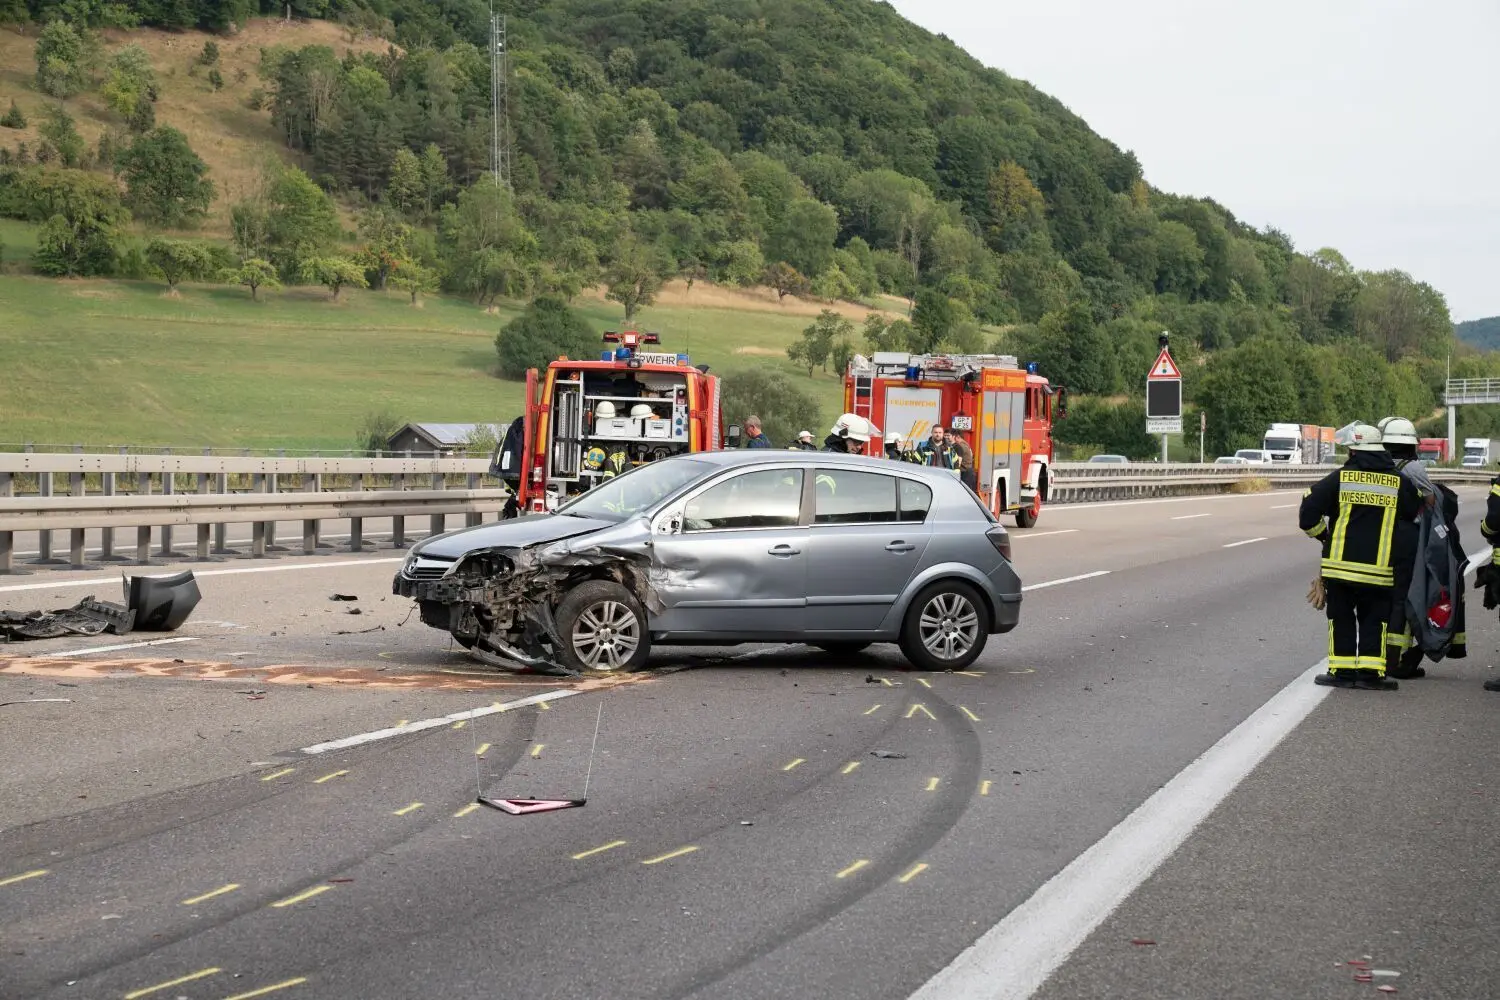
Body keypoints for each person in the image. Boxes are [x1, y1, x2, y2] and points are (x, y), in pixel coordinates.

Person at [1300, 422, 1422, 690]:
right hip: (1379, 570)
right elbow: (1413, 512)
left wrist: (1325, 537)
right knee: (1375, 620)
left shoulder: (1340, 478)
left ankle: (1342, 673)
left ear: (1354, 452)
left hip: (1340, 569)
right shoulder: (1399, 482)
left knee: (1341, 618)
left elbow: (1307, 513)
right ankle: (1370, 675)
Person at [1377, 415, 1465, 678]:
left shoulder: (1375, 466)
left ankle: (1377, 655)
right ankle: (1398, 659)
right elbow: (1429, 502)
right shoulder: (1413, 469)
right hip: (1407, 541)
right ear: (1411, 445)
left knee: (1380, 597)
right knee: (1403, 597)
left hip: (1378, 540)